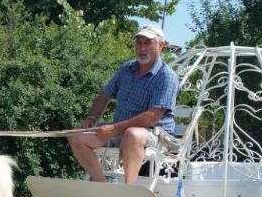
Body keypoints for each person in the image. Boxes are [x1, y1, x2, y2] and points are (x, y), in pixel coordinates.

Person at [68, 24, 179, 184]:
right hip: (120, 131)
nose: (142, 47)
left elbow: (152, 117)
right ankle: (101, 185)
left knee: (132, 134)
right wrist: (92, 118)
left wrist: (113, 129)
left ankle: (128, 189)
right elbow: (104, 96)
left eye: (148, 43)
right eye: (138, 42)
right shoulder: (126, 68)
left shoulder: (166, 76)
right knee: (77, 135)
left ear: (161, 45)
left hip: (156, 135)